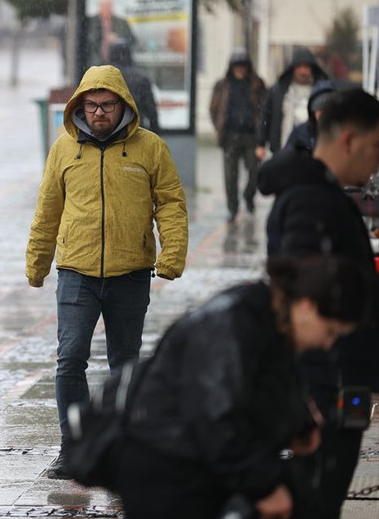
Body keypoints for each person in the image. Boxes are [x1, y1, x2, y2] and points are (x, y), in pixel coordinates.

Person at [96, 255, 371, 519]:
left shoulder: (275, 320)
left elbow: (274, 387)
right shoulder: (236, 322)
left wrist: (303, 426)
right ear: (309, 306)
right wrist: (265, 488)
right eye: (331, 331)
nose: (328, 344)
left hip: (196, 465)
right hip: (164, 472)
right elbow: (216, 419)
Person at [25, 64, 188, 479]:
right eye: (92, 105)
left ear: (123, 106)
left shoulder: (150, 148)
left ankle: (123, 446)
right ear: (80, 106)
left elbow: (170, 202)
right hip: (76, 271)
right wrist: (37, 262)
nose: (99, 113)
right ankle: (72, 448)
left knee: (126, 364)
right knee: (70, 359)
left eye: (107, 105)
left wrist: (172, 257)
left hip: (130, 273)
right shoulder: (63, 149)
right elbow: (48, 209)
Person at [258, 88, 379, 518]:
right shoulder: (311, 200)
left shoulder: (322, 193)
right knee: (315, 503)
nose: (377, 160)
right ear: (348, 140)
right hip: (326, 388)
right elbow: (305, 308)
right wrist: (308, 404)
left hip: (342, 383)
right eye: (375, 146)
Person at [210, 50, 268, 222]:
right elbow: (213, 108)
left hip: (251, 136)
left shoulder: (257, 84)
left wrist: (262, 135)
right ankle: (232, 208)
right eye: (236, 65)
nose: (240, 69)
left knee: (254, 173)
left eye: (243, 65)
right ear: (231, 67)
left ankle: (249, 196)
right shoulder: (222, 85)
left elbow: (265, 109)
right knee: (230, 176)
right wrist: (218, 127)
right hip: (229, 136)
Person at [256, 47, 328, 159]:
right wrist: (261, 143)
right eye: (299, 67)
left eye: (306, 67)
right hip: (283, 148)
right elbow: (265, 116)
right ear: (293, 68)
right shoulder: (278, 92)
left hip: (314, 152)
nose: (302, 71)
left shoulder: (322, 93)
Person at [109, 40, 159, 134]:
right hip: (135, 131)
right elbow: (151, 110)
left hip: (109, 132)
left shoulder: (105, 76)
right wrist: (155, 134)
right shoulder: (141, 78)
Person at [282, 78, 336, 154]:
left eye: (327, 109)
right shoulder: (300, 132)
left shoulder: (342, 133)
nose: (323, 114)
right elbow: (286, 158)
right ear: (313, 111)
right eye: (319, 109)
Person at [87, 0, 136, 67]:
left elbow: (132, 40)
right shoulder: (90, 22)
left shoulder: (121, 23)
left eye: (109, 7)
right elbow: (86, 41)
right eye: (104, 7)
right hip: (94, 65)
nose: (107, 9)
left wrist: (118, 39)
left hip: (117, 65)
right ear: (99, 7)